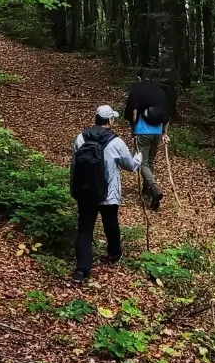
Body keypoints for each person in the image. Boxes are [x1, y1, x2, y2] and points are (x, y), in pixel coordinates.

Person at [70, 104, 141, 284]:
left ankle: (81, 270)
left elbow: (74, 165)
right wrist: (139, 158)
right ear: (109, 120)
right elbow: (130, 165)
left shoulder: (80, 138)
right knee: (111, 224)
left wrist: (75, 189)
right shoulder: (116, 142)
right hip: (108, 193)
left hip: (86, 192)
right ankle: (114, 254)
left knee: (85, 229)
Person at [124, 68, 171, 211]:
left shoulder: (137, 90)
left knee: (141, 162)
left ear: (140, 78)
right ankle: (148, 191)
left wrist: (133, 129)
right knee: (150, 161)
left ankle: (154, 188)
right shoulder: (160, 91)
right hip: (157, 131)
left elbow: (133, 112)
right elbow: (167, 114)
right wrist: (164, 133)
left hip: (143, 130)